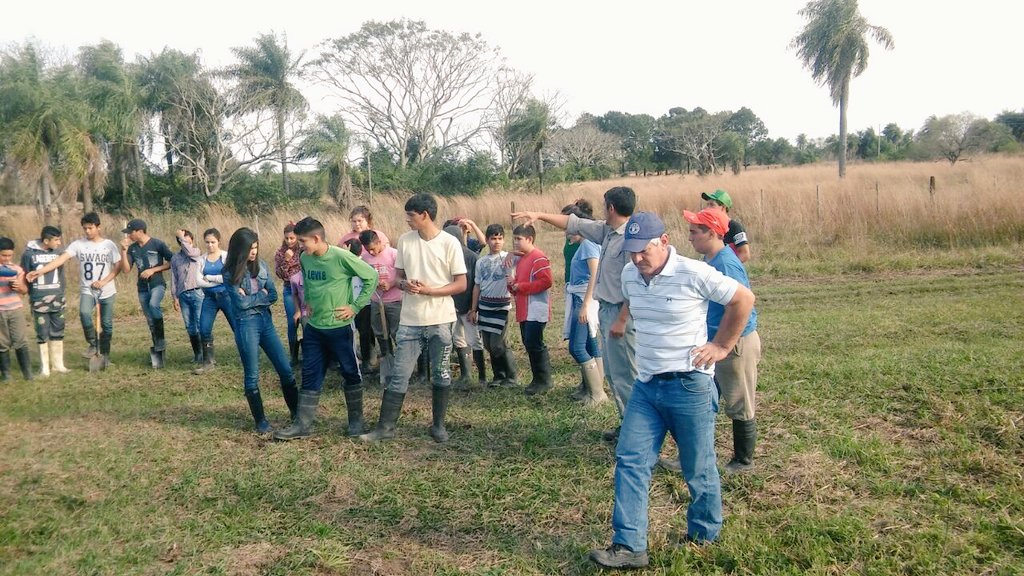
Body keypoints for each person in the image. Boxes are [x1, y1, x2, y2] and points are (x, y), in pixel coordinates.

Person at [588, 212, 754, 570]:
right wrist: (621, 320)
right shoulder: (632, 273)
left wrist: (722, 346)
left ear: (663, 241)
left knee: (697, 466)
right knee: (630, 460)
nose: (636, 259)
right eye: (631, 252)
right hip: (647, 387)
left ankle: (704, 533)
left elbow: (743, 300)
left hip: (689, 385)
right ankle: (630, 545)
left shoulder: (693, 273)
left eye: (643, 251)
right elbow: (632, 297)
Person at [513, 186, 638, 440]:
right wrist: (539, 214)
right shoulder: (607, 232)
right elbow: (574, 223)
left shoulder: (632, 239)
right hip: (607, 310)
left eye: (605, 205)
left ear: (611, 207)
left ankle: (637, 431)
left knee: (628, 374)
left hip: (622, 313)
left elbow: (635, 287)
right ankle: (627, 423)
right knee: (614, 373)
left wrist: (622, 319)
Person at [360, 193, 467, 444]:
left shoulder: (449, 243)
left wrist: (430, 290)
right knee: (400, 374)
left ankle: (438, 425)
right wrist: (404, 284)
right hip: (409, 320)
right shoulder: (406, 242)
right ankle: (385, 427)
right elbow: (398, 277)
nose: (407, 220)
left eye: (410, 215)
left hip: (441, 319)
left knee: (440, 373)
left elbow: (461, 283)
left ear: (425, 215)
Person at [274, 217, 378, 441]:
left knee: (350, 372)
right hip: (314, 327)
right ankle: (302, 425)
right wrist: (307, 304)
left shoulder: (341, 257)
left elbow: (371, 276)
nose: (299, 246)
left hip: (339, 328)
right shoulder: (305, 258)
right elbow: (308, 283)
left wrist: (355, 306)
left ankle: (356, 422)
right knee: (310, 373)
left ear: (316, 238)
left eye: (302, 241)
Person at [685, 208, 761, 473]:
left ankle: (743, 460)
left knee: (740, 402)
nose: (690, 237)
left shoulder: (726, 264)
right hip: (716, 343)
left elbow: (744, 305)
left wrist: (726, 343)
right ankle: (695, 456)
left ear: (713, 232)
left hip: (735, 344)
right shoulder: (711, 260)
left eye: (695, 232)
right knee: (705, 401)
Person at [223, 227, 299, 434]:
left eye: (256, 247)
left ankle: (296, 414)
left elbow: (273, 295)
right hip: (246, 325)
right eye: (250, 248)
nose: (254, 252)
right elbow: (239, 304)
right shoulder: (229, 272)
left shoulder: (262, 266)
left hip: (266, 322)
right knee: (252, 375)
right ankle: (261, 421)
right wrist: (260, 296)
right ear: (239, 249)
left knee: (285, 369)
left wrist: (252, 298)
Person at [28, 212, 121, 368]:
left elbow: (117, 267)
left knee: (107, 325)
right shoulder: (78, 244)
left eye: (90, 228)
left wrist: (104, 281)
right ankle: (92, 343)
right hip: (88, 290)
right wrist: (40, 271)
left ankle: (105, 356)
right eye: (85, 229)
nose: (87, 232)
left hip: (107, 290)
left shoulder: (109, 245)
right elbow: (61, 260)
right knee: (84, 313)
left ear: (98, 227)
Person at [563, 206, 607, 406]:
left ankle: (597, 393)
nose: (566, 232)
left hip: (584, 299)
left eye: (569, 227)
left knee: (577, 347)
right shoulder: (586, 245)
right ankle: (589, 388)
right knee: (591, 344)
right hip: (581, 298)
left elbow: (595, 273)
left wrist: (586, 305)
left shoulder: (589, 244)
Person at [468, 222, 518, 387]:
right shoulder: (481, 262)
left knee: (499, 343)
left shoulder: (507, 258)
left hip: (501, 307)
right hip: (485, 307)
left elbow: (518, 259)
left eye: (500, 238)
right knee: (489, 344)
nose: (497, 242)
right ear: (487, 240)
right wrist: (473, 309)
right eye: (493, 238)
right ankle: (498, 376)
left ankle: (511, 376)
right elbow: (477, 286)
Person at [119, 219, 174, 367]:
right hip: (142, 288)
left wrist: (153, 270)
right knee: (150, 320)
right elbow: (125, 270)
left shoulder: (157, 244)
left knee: (153, 305)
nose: (129, 235)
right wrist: (123, 251)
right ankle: (158, 348)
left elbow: (173, 261)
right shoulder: (132, 249)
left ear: (139, 231)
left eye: (131, 232)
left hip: (157, 284)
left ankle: (161, 339)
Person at [508, 224, 553, 396]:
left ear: (530, 239)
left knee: (535, 344)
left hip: (536, 309)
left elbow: (546, 281)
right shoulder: (522, 259)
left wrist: (522, 286)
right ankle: (537, 379)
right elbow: (519, 284)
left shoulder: (538, 257)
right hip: (524, 309)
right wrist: (513, 286)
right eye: (515, 239)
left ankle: (544, 380)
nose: (516, 243)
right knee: (529, 343)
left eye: (519, 239)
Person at [21, 226, 71, 376]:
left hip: (57, 296)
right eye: (55, 239)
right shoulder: (29, 254)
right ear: (46, 240)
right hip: (39, 298)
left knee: (58, 329)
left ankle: (58, 364)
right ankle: (45, 367)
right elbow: (24, 275)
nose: (59, 242)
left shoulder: (59, 253)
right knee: (42, 331)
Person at [443, 223, 485, 388]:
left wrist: (473, 308)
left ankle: (482, 377)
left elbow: (476, 285)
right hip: (451, 307)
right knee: (458, 340)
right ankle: (466, 375)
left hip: (468, 307)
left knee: (474, 340)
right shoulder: (444, 256)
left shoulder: (471, 257)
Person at [359, 230, 402, 386]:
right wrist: (374, 284)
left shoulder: (394, 255)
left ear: (379, 242)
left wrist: (390, 284)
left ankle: (403, 364)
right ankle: (387, 359)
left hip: (395, 300)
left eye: (373, 248)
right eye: (368, 249)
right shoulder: (364, 258)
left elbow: (402, 277)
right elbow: (363, 277)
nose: (371, 252)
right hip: (376, 301)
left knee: (396, 332)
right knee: (379, 331)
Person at [193, 228, 235, 374]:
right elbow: (198, 281)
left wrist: (210, 278)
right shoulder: (201, 260)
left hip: (226, 296)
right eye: (207, 242)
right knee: (204, 328)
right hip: (209, 298)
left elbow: (228, 278)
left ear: (219, 242)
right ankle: (208, 362)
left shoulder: (226, 257)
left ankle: (247, 356)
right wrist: (217, 281)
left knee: (237, 326)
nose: (210, 245)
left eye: (213, 242)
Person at [169, 229, 206, 364]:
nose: (185, 242)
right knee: (190, 326)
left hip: (197, 292)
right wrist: (175, 297)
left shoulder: (196, 252)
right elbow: (174, 278)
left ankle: (206, 354)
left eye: (187, 239)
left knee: (199, 323)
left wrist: (181, 237)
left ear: (192, 241)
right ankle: (197, 354)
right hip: (183, 294)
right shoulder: (175, 258)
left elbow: (189, 252)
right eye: (182, 240)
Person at [0, 237, 32, 381]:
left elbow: (24, 290)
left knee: (20, 340)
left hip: (15, 309)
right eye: (3, 255)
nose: (7, 259)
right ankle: (6, 375)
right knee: (2, 343)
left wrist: (19, 287)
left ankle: (27, 374)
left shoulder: (17, 269)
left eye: (9, 255)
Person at [273, 223, 303, 366]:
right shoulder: (280, 252)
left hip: (304, 289)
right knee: (293, 323)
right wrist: (286, 260)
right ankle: (294, 355)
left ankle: (309, 351)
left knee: (307, 321)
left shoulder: (303, 250)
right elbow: (280, 274)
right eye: (287, 238)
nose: (290, 241)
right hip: (289, 289)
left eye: (292, 238)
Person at [701, 189, 751, 263]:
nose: (708, 208)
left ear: (723, 208)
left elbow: (745, 254)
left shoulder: (735, 227)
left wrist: (730, 267)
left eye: (712, 205)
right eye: (707, 205)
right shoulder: (709, 227)